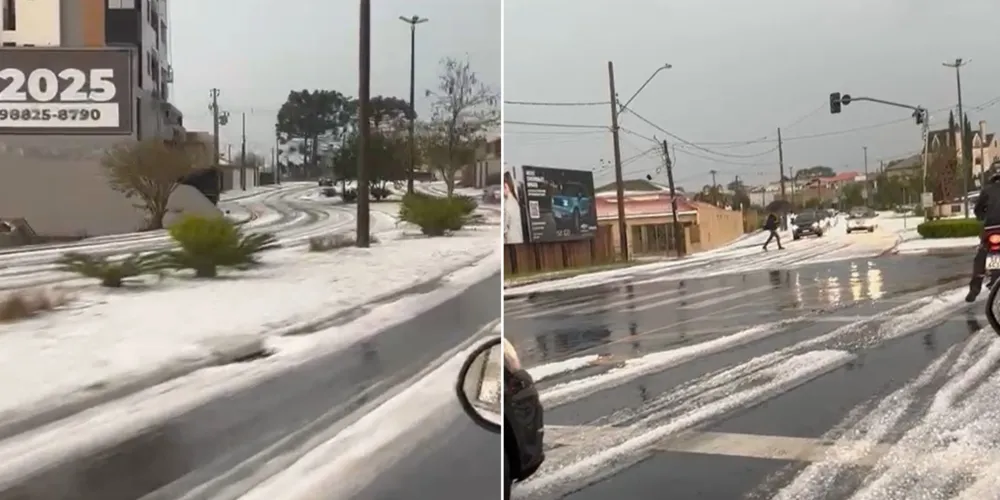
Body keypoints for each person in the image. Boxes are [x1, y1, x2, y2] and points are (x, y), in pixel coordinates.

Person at [966, 161, 1000, 302]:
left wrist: (983, 217)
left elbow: (978, 209)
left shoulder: (986, 190)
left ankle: (975, 288)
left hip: (990, 229)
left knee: (982, 255)